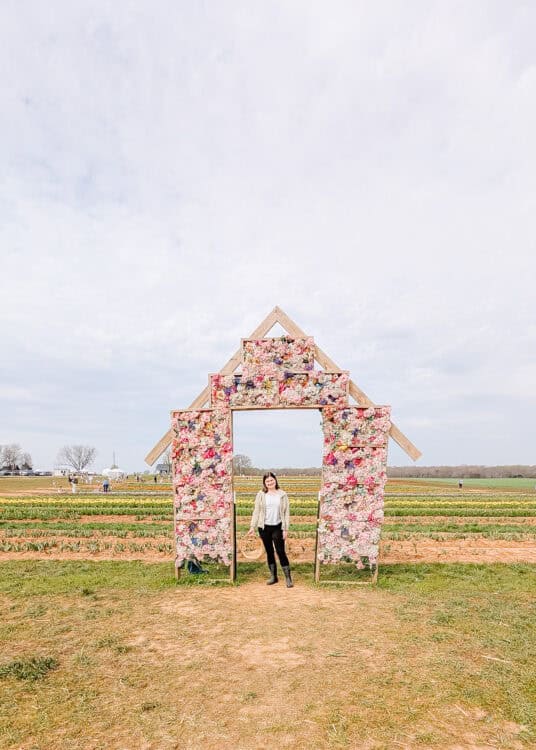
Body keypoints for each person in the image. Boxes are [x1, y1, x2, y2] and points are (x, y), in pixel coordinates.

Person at [248, 472, 293, 588]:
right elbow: (256, 511)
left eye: (271, 480)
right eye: (267, 481)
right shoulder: (261, 494)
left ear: (275, 480)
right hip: (264, 527)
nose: (270, 483)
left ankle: (288, 578)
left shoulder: (282, 494)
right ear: (264, 483)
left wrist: (285, 529)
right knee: (269, 552)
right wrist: (252, 527)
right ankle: (274, 577)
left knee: (280, 551)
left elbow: (286, 512)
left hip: (278, 526)